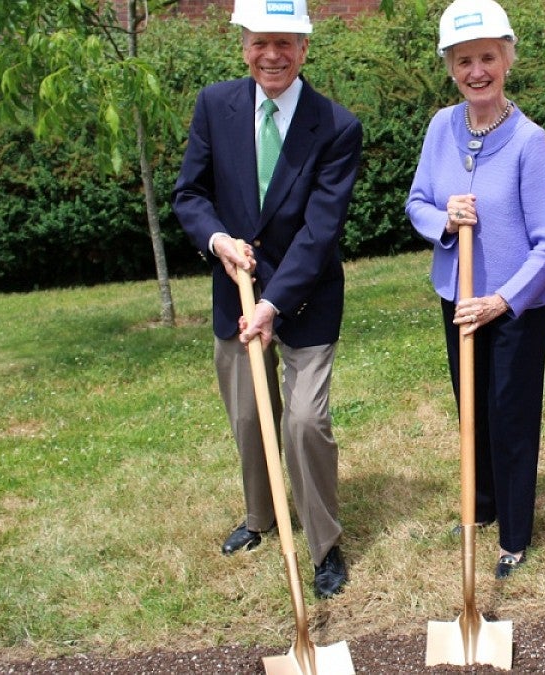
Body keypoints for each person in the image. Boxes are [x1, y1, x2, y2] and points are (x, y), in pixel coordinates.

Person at [172, 0, 362, 598]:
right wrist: (217, 238)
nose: (272, 55)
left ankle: (325, 544)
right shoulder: (215, 105)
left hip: (303, 296)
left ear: (305, 48)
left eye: (285, 42)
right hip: (235, 289)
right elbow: (190, 193)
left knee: (304, 420)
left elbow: (319, 231)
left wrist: (274, 303)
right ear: (243, 44)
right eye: (260, 42)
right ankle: (261, 517)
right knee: (250, 415)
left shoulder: (336, 126)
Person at [406, 0, 545, 579]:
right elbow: (417, 203)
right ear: (451, 66)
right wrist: (444, 218)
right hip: (459, 296)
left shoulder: (528, 141)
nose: (478, 71)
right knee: (470, 408)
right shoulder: (441, 128)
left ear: (507, 61)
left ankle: (515, 536)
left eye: (488, 58)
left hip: (514, 305)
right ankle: (481, 506)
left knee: (510, 413)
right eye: (465, 60)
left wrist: (502, 300)